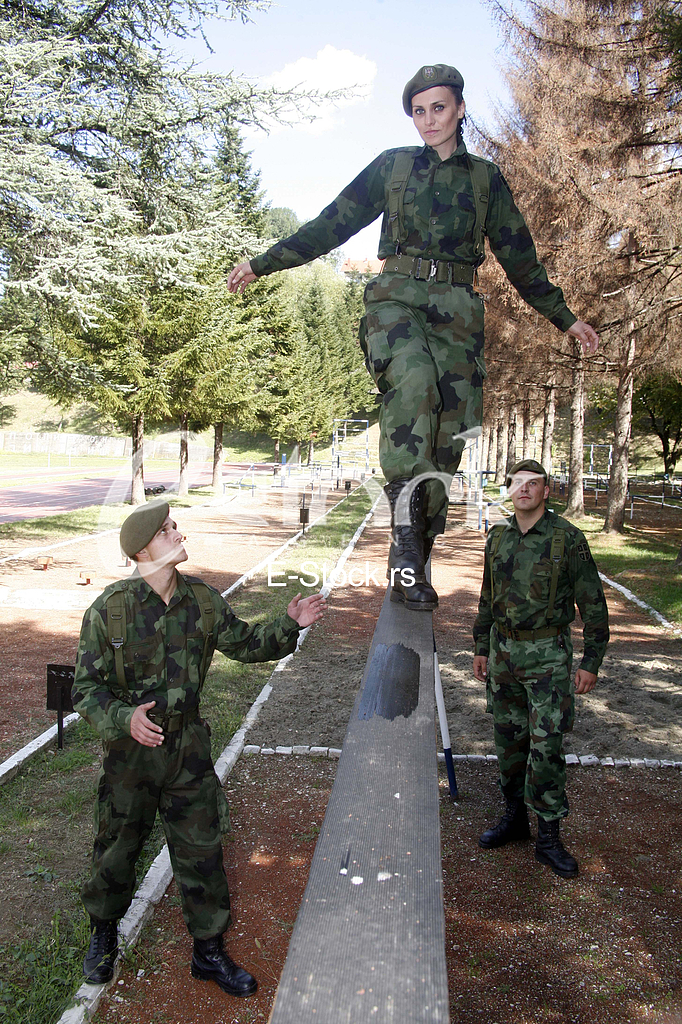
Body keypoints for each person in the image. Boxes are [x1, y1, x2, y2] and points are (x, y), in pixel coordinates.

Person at [227, 63, 599, 611]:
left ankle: (417, 545)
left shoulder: (485, 180)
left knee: (450, 432)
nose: (428, 120)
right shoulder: (393, 168)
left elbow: (521, 258)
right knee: (413, 381)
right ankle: (403, 538)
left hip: (458, 310)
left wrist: (564, 317)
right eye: (418, 111)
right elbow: (333, 223)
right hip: (395, 299)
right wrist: (264, 263)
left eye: (439, 108)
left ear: (460, 109)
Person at [73, 500, 326, 995]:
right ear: (144, 548)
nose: (177, 532)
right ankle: (103, 935)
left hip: (187, 746)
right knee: (118, 846)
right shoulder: (109, 609)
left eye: (174, 526)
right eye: (167, 530)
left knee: (202, 848)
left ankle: (208, 952)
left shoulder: (203, 601)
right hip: (132, 754)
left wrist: (289, 622)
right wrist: (125, 718)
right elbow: (86, 687)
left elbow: (246, 643)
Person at [472, 460, 609, 878]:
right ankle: (515, 819)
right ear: (509, 490)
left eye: (534, 484)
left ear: (546, 491)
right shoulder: (497, 537)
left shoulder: (567, 537)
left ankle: (548, 834)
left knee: (546, 746)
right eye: (517, 484)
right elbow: (486, 597)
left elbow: (592, 601)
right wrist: (481, 647)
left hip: (548, 656)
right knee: (509, 742)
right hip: (503, 654)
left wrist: (591, 660)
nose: (524, 490)